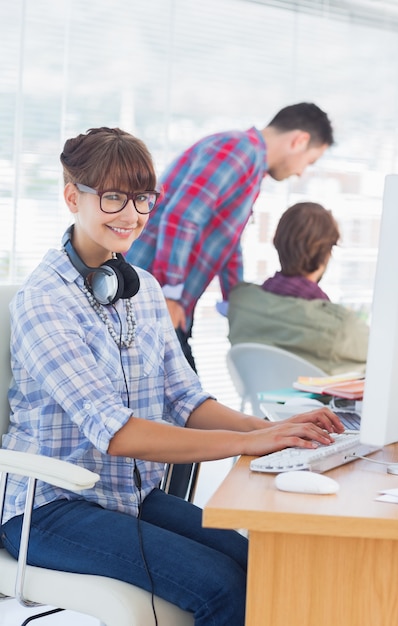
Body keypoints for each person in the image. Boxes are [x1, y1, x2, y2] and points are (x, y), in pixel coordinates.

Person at [0, 128, 344, 626]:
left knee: (266, 564)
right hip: (49, 509)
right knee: (221, 588)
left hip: (126, 498)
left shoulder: (143, 291)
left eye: (142, 199)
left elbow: (185, 398)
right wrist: (249, 443)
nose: (133, 215)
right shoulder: (43, 302)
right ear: (73, 196)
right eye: (114, 197)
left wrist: (274, 432)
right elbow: (116, 432)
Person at [126, 102, 335, 372]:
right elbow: (182, 217)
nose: (300, 173)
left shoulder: (249, 164)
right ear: (299, 140)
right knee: (186, 409)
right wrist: (170, 292)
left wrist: (233, 303)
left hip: (165, 303)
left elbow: (227, 243)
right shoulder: (238, 152)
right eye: (309, 161)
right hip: (153, 299)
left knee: (183, 405)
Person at [227, 202, 369, 376]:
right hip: (318, 404)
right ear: (326, 253)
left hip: (261, 403)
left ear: (277, 243)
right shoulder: (342, 327)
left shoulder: (240, 301)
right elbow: (383, 356)